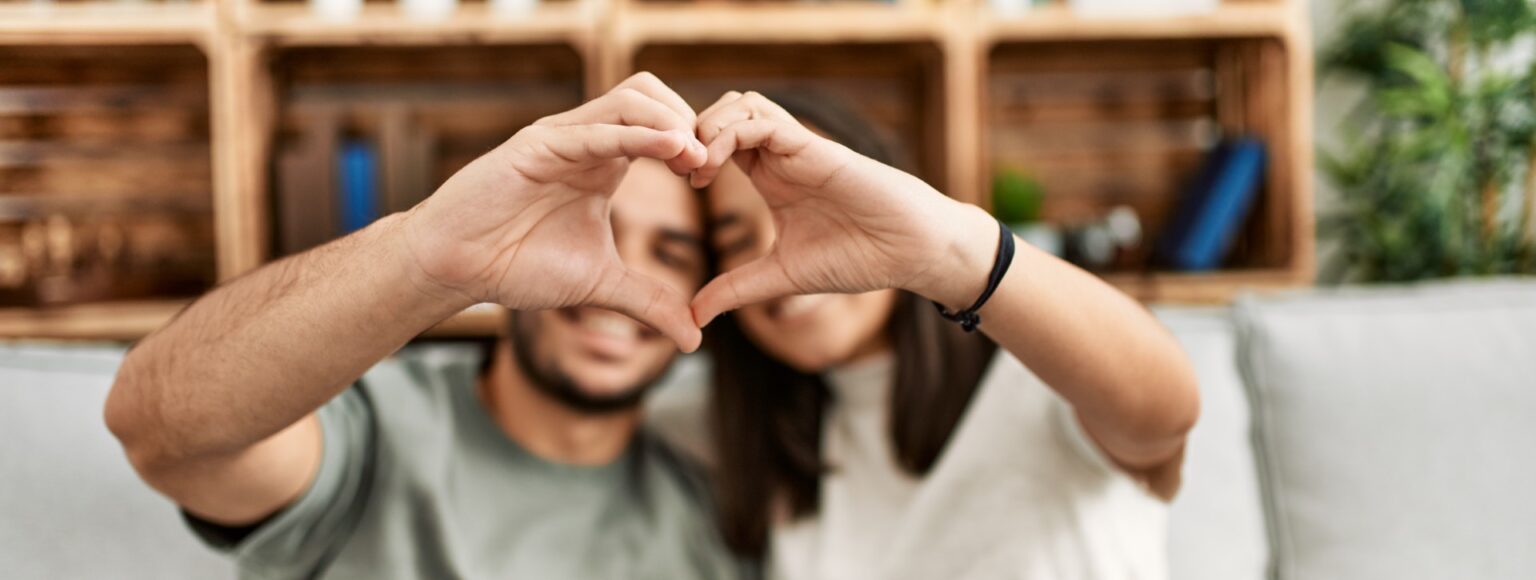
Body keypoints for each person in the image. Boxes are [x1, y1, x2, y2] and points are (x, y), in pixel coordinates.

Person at [104, 73, 750, 579]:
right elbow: (157, 427)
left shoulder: (713, 511)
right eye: (593, 234)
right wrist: (428, 256)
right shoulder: (372, 430)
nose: (616, 282)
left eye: (671, 256)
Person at [687, 91, 1201, 579]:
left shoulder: (1036, 367)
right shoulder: (749, 443)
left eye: (813, 213)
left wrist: (950, 255)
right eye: (735, 239)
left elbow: (1165, 416)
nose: (781, 250)